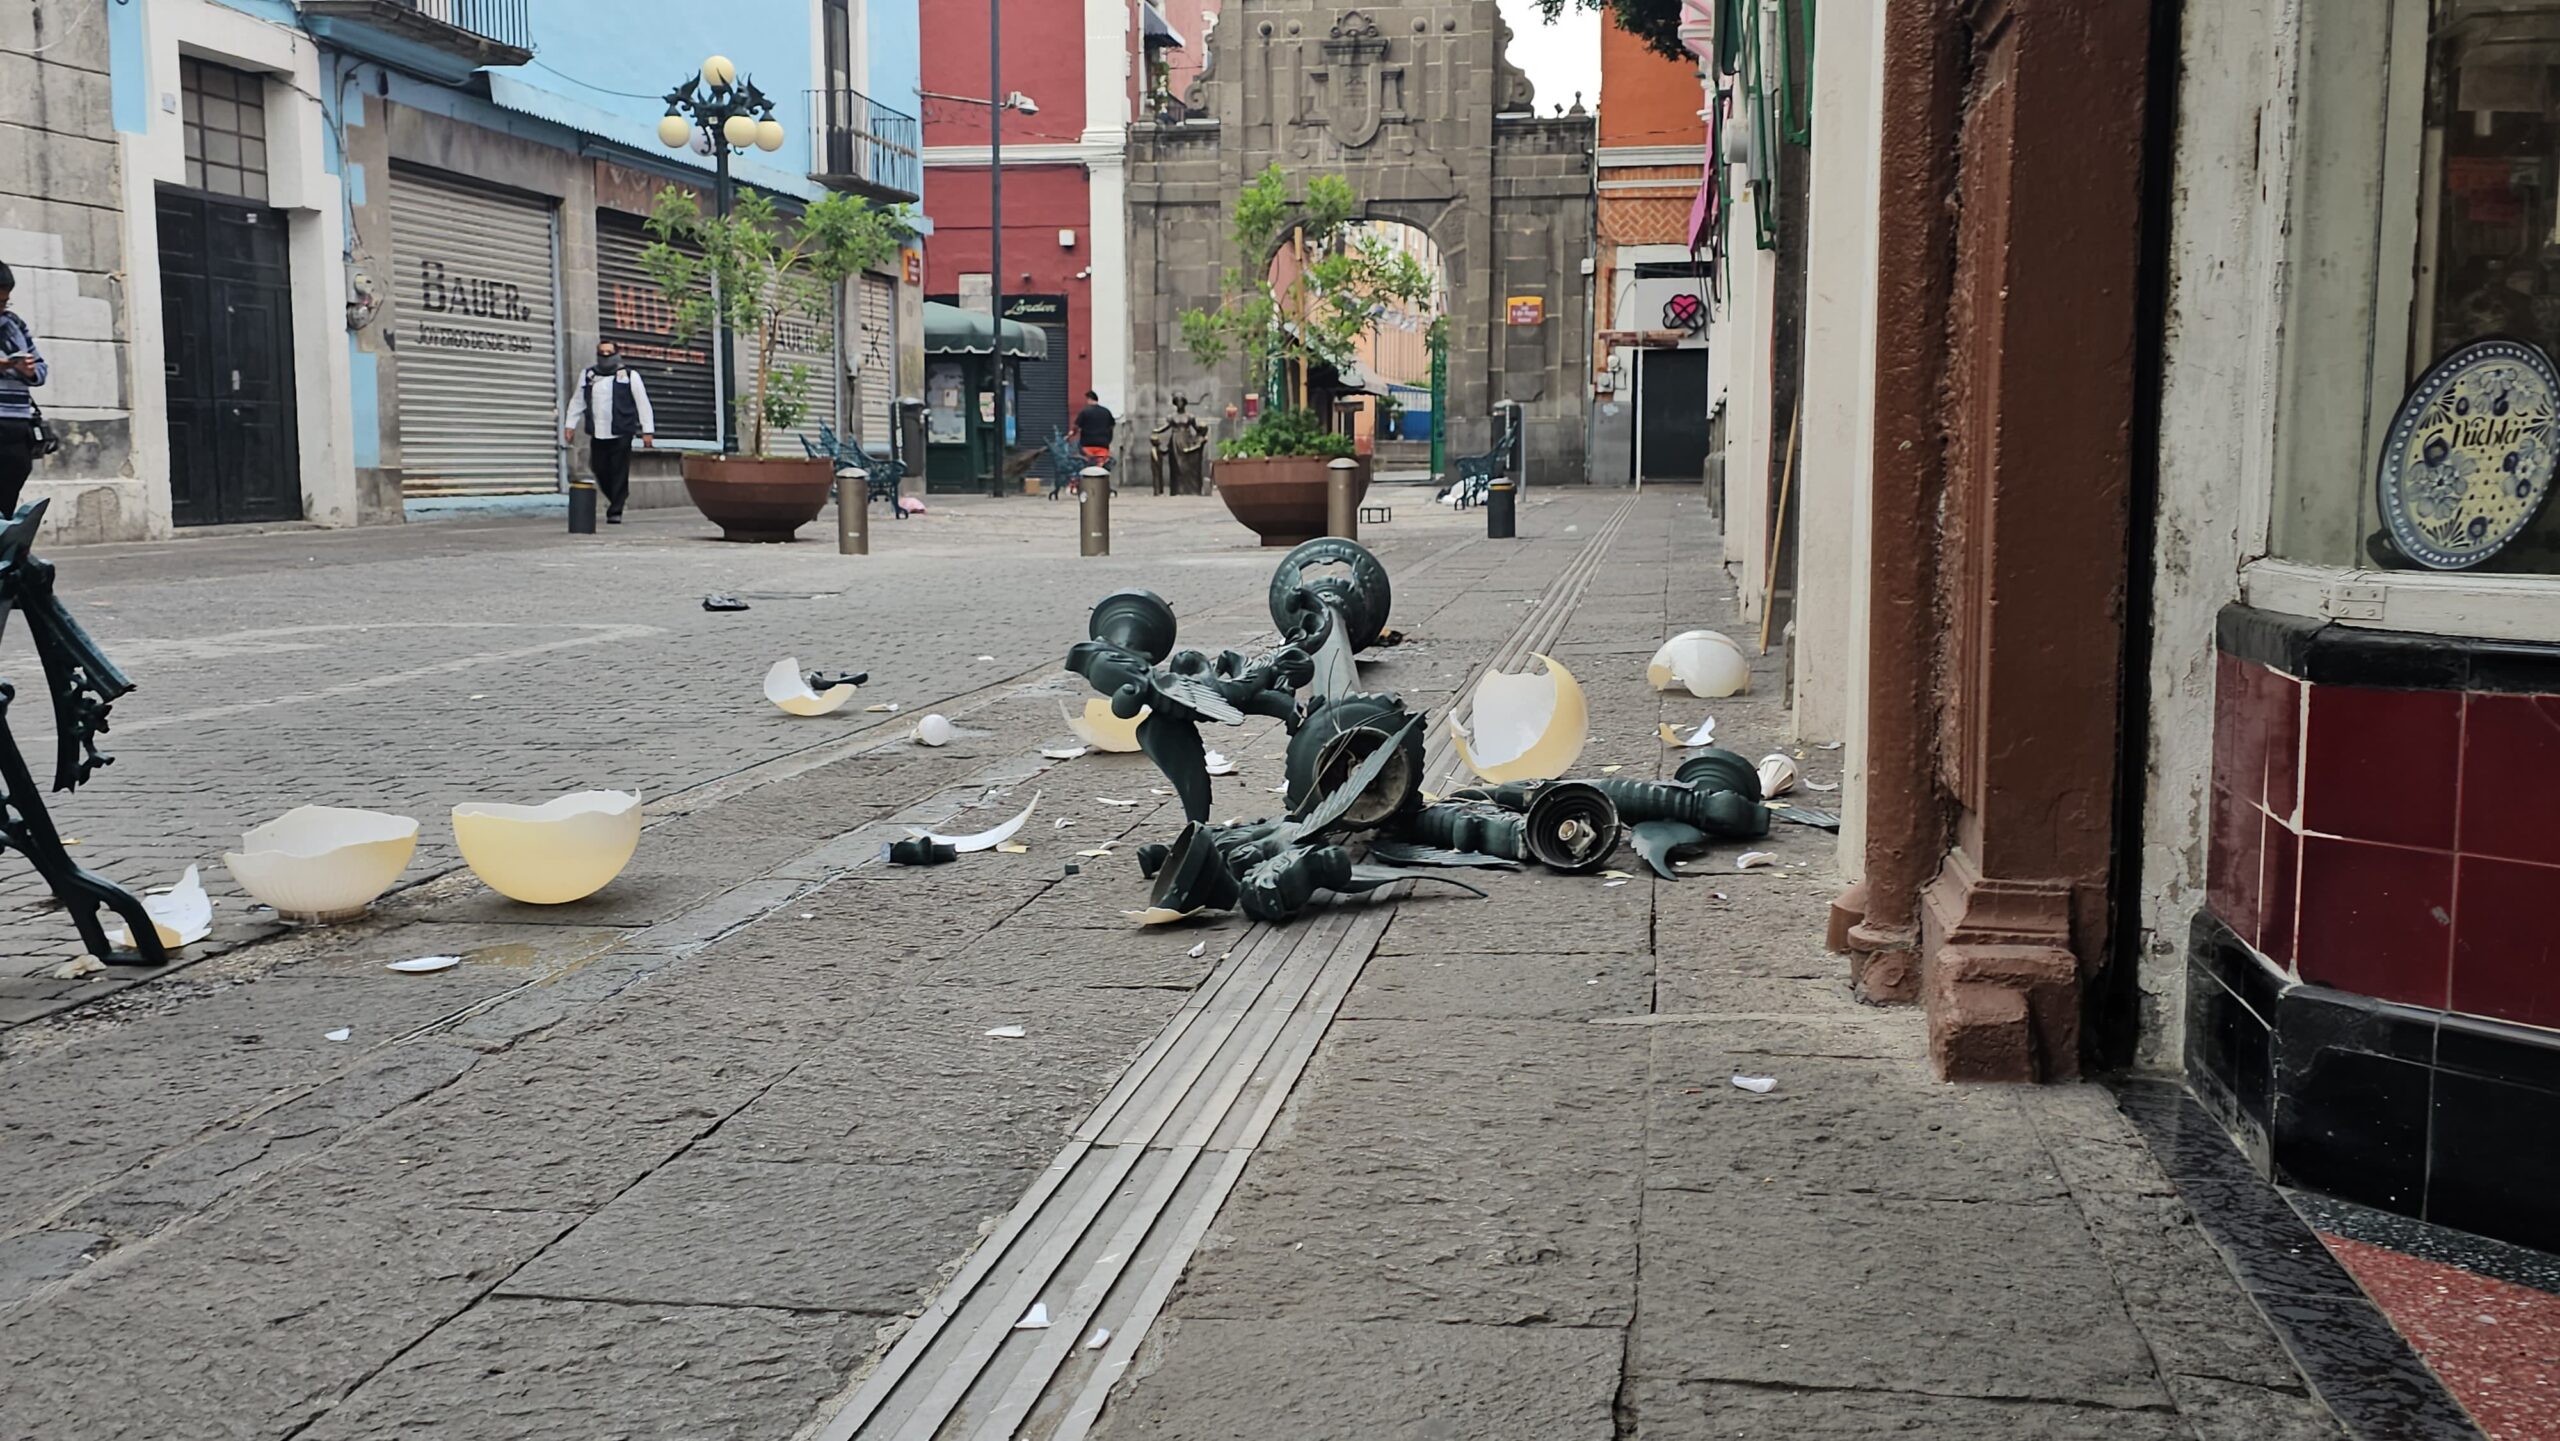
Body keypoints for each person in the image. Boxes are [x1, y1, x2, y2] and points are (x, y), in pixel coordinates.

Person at [561, 341, 655, 523]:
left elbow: (643, 403)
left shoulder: (629, 376)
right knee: (599, 467)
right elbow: (578, 401)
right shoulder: (589, 375)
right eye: (601, 353)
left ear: (617, 354)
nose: (605, 357)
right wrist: (570, 424)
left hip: (621, 431)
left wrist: (647, 431)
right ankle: (617, 496)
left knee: (619, 470)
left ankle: (615, 510)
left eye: (609, 353)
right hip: (598, 432)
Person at [0, 261, 47, 517]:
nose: (1, 309)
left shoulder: (15, 324)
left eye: (4, 302)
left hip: (17, 426)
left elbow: (41, 370)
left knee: (6, 502)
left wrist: (28, 371)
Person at [1070, 389, 1115, 492]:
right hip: (1102, 445)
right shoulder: (1106, 412)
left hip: (1087, 445)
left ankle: (1084, 486)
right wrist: (1108, 439)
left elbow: (1076, 427)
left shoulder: (1085, 412)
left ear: (1089, 399)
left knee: (1086, 465)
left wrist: (1071, 433)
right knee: (1101, 466)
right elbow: (1112, 426)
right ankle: (1101, 487)